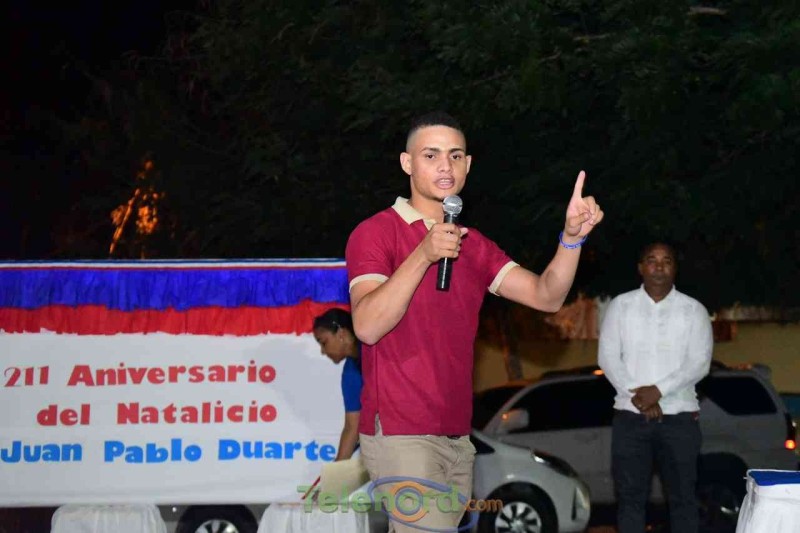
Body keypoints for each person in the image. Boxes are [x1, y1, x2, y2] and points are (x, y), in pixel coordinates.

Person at [345, 111, 604, 531]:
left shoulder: (474, 245)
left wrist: (572, 239)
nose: (445, 166)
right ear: (407, 163)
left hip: (456, 434)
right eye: (431, 155)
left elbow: (547, 295)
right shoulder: (376, 233)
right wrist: (424, 254)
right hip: (400, 429)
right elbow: (367, 326)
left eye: (455, 155)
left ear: (468, 165)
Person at [598, 242, 713, 533]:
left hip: (680, 419)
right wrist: (639, 396)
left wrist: (657, 391)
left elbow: (699, 363)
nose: (659, 266)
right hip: (630, 417)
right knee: (630, 500)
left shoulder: (693, 310)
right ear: (641, 267)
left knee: (683, 500)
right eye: (652, 260)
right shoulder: (620, 306)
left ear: (675, 268)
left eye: (667, 260)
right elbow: (608, 358)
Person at [313, 308, 363, 461]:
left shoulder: (378, 349)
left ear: (342, 334)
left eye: (324, 342)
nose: (322, 351)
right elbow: (352, 426)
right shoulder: (350, 372)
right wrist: (337, 471)